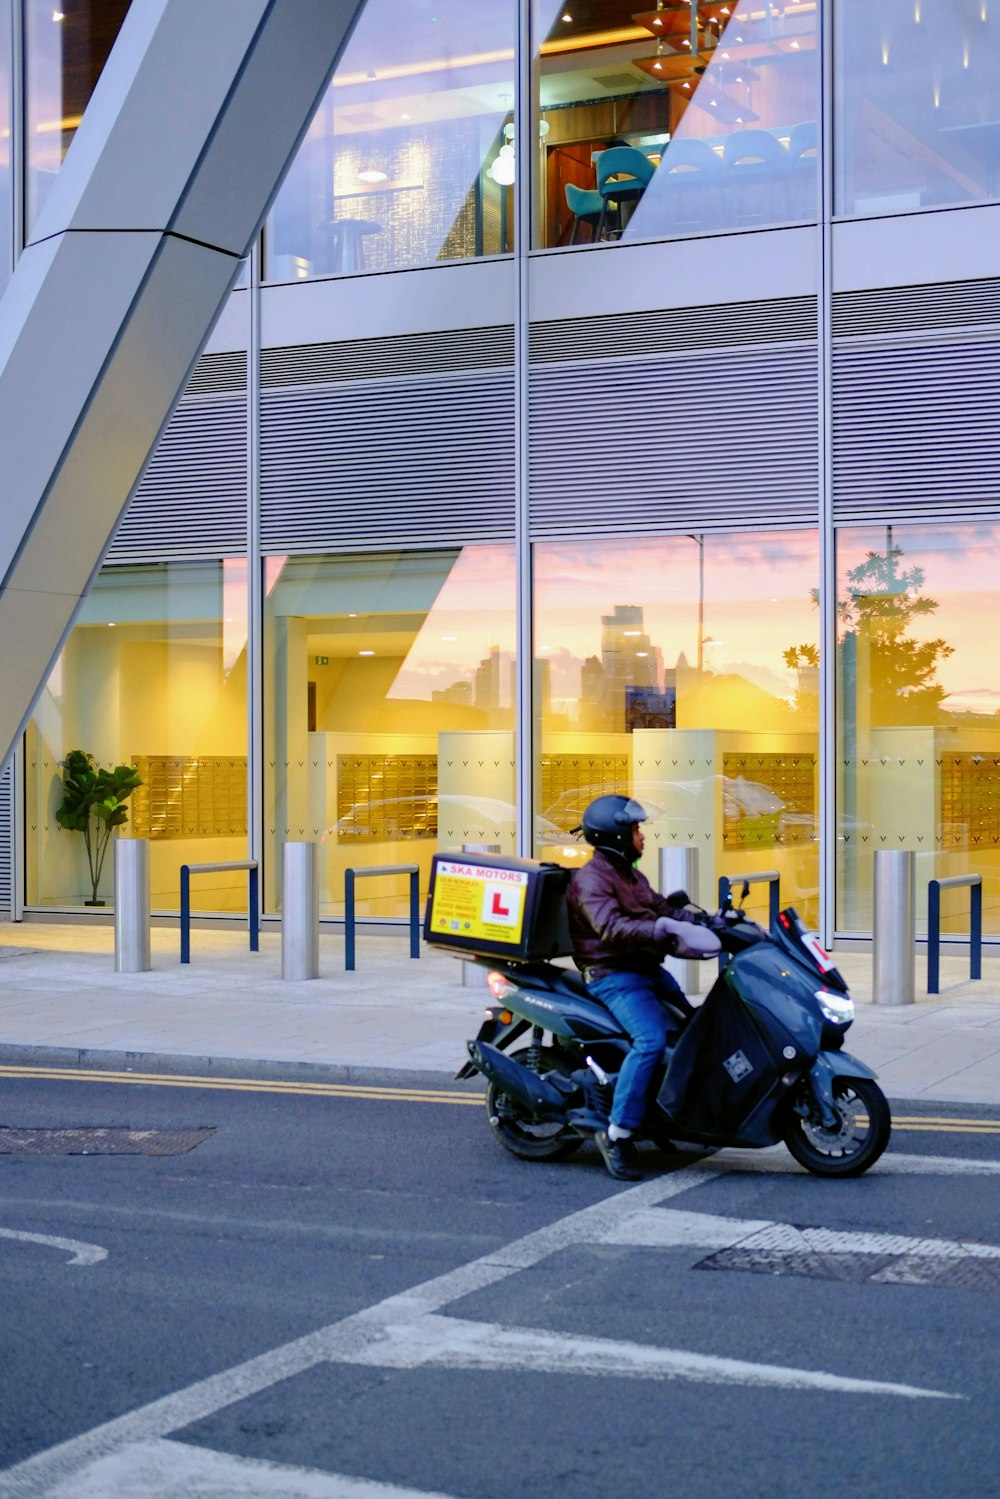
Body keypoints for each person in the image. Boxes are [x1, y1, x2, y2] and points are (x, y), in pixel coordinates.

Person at [567, 794, 714, 1182]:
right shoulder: (591, 881)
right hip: (613, 975)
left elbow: (662, 909)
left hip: (644, 969)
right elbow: (612, 929)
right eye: (635, 830)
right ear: (616, 836)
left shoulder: (629, 874)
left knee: (694, 1027)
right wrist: (660, 932)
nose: (642, 837)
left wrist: (710, 923)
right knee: (649, 1041)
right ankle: (617, 1133)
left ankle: (669, 1114)